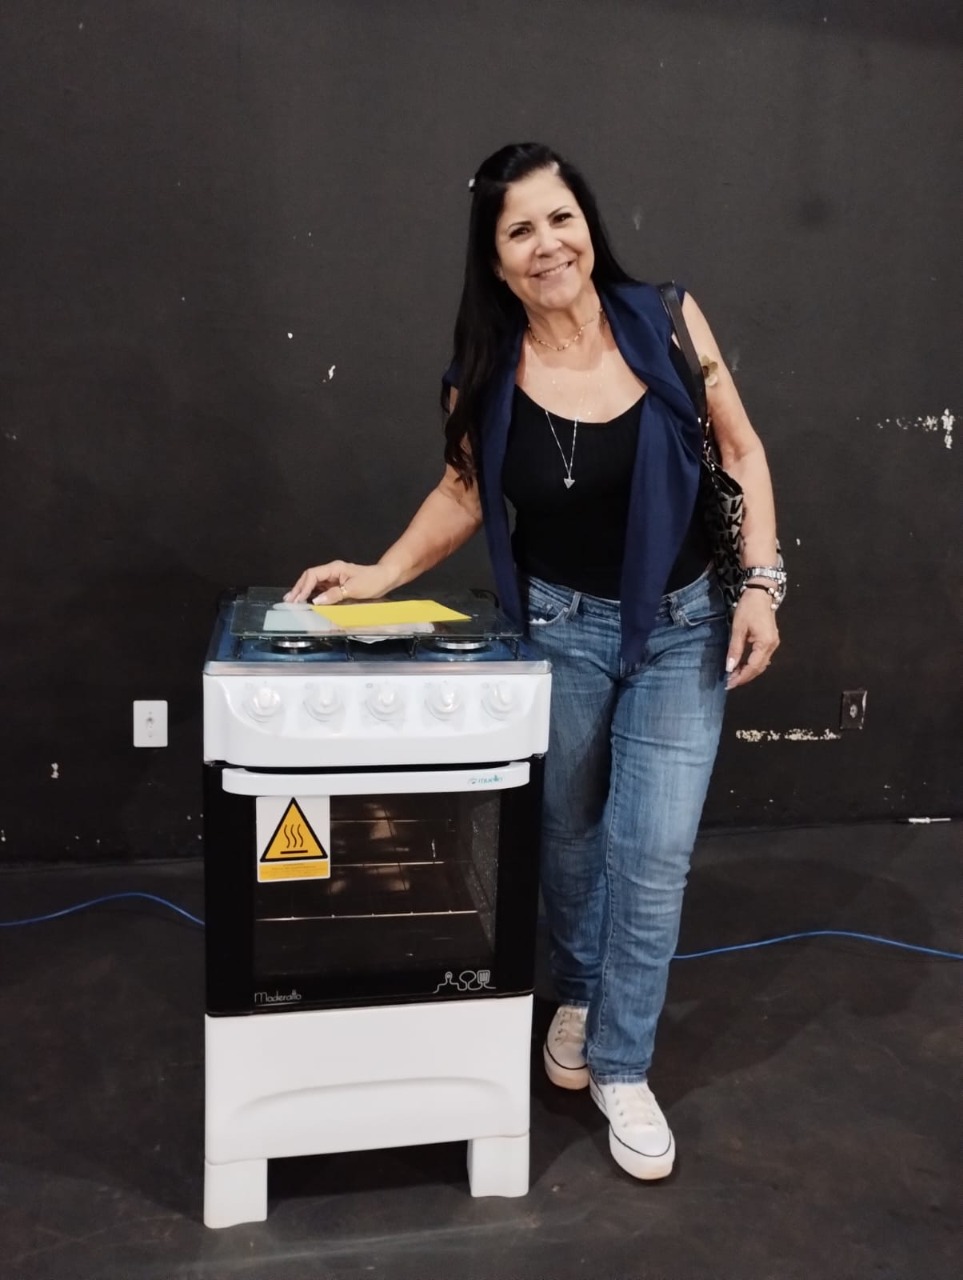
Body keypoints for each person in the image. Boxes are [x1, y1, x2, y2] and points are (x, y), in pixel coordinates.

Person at [286, 142, 782, 1182]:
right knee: (566, 841)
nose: (548, 243)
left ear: (587, 222)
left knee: (651, 856)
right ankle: (581, 990)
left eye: (561, 217)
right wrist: (378, 573)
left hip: (685, 624)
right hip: (558, 629)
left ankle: (622, 1064)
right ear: (496, 259)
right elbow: (464, 491)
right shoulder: (483, 371)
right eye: (521, 230)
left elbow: (739, 450)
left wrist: (762, 584)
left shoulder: (666, 318)